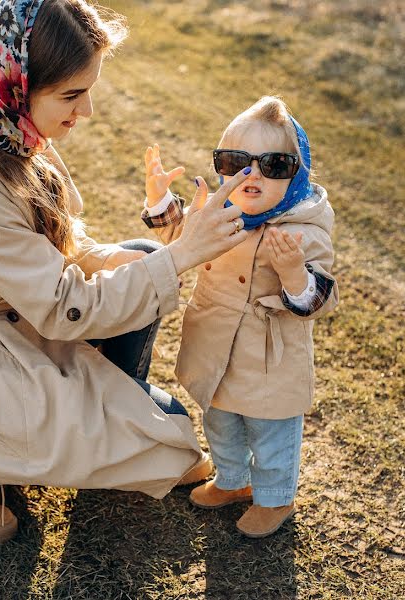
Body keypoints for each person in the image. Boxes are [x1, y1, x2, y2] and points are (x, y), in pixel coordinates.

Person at [0, 0, 254, 548]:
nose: (88, 110)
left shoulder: (1, 119)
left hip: (11, 319)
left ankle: (108, 413)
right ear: (19, 84)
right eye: (72, 96)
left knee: (141, 262)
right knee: (170, 450)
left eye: (88, 90)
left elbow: (61, 244)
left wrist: (122, 260)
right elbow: (64, 307)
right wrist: (179, 256)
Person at [140, 96, 339, 538]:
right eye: (236, 161)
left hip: (268, 358)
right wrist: (159, 201)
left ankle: (276, 498)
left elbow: (321, 298)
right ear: (222, 167)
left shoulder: (305, 230)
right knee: (220, 420)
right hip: (216, 347)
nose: (252, 174)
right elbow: (183, 237)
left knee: (271, 433)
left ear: (297, 173)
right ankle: (233, 481)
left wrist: (293, 273)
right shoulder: (222, 211)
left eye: (273, 164)